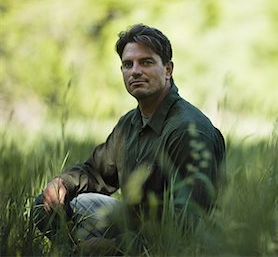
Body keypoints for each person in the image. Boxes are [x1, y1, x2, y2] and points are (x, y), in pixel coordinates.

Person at [32, 24, 226, 253]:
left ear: (168, 70)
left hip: (178, 245)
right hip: (135, 227)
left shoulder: (187, 130)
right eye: (128, 64)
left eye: (146, 62)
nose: (135, 71)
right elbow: (96, 172)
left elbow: (188, 224)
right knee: (45, 205)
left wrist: (115, 248)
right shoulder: (130, 123)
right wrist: (62, 183)